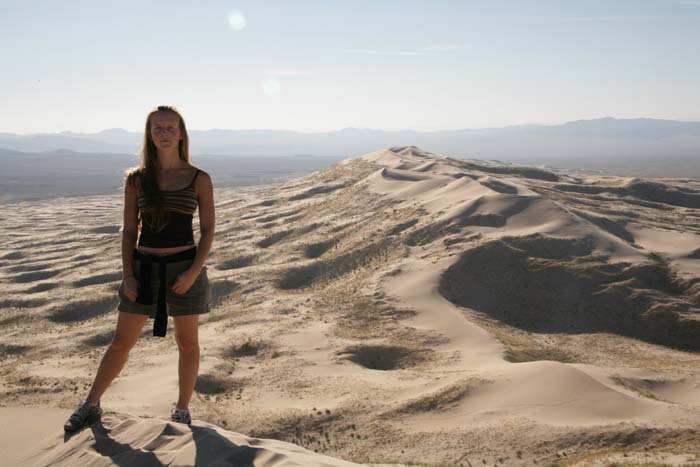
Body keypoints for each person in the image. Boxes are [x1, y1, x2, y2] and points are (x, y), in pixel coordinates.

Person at [64, 105, 215, 432]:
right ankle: (91, 404)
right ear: (150, 134)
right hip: (143, 269)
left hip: (184, 269)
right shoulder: (136, 179)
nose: (164, 133)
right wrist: (129, 275)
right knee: (121, 342)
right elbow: (130, 231)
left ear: (181, 134)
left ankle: (182, 409)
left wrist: (192, 273)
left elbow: (207, 231)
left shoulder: (199, 179)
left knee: (187, 343)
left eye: (170, 128)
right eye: (158, 128)